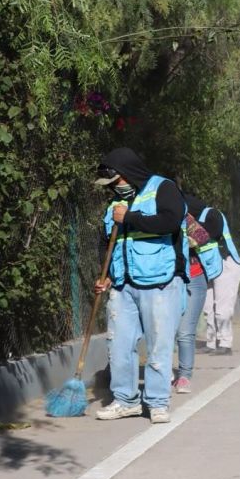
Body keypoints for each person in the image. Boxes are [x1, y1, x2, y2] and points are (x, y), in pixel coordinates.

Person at [93, 148, 188, 424]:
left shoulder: (163, 188)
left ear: (126, 174)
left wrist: (131, 218)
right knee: (119, 343)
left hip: (160, 280)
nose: (111, 189)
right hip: (123, 284)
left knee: (159, 342)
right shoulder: (114, 205)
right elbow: (105, 242)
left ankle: (158, 402)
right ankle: (125, 400)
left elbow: (172, 221)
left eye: (114, 182)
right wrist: (107, 273)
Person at [188, 197, 240, 357]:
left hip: (226, 264)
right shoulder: (191, 222)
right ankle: (211, 342)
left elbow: (212, 232)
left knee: (222, 308)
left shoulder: (212, 214)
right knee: (207, 307)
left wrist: (190, 228)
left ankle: (225, 343)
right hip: (209, 268)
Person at [173, 194, 210, 394]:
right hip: (166, 281)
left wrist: (185, 240)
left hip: (194, 278)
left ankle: (185, 375)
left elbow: (203, 236)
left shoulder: (182, 216)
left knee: (185, 331)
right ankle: (164, 374)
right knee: (165, 330)